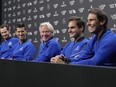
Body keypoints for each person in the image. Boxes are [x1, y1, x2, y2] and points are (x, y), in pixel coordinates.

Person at [51, 8, 116, 66]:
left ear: (102, 21)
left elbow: (94, 62)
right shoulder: (94, 39)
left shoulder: (111, 39)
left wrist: (65, 64)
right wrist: (66, 60)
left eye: (91, 20)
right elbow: (82, 58)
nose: (88, 23)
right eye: (88, 21)